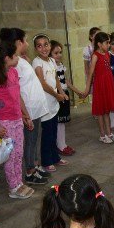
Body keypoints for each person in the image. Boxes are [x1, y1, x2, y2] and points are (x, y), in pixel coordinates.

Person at [0, 41, 35, 200]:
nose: (18, 57)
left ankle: (19, 182)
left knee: (19, 152)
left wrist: (25, 114)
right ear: (6, 58)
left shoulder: (13, 72)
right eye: (15, 55)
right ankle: (13, 187)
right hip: (4, 122)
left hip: (17, 119)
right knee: (10, 155)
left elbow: (17, 96)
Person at [1, 28, 50, 186]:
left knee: (34, 139)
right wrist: (25, 113)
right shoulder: (13, 63)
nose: (27, 44)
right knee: (29, 141)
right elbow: (16, 92)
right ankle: (29, 171)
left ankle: (34, 165)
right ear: (18, 42)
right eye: (26, 40)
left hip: (34, 108)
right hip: (28, 109)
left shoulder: (20, 60)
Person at [30, 34, 65, 173]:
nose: (43, 48)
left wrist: (61, 92)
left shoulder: (51, 60)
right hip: (45, 105)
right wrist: (56, 95)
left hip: (53, 103)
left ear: (50, 46)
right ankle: (46, 161)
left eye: (46, 44)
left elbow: (55, 78)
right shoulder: (37, 63)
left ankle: (55, 157)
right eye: (39, 45)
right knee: (47, 135)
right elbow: (42, 83)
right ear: (35, 49)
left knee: (54, 133)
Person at [83, 31, 114, 143]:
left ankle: (109, 133)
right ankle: (102, 134)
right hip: (100, 85)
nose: (109, 45)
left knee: (107, 111)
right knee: (100, 111)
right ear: (99, 44)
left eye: (109, 42)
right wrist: (87, 89)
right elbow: (90, 73)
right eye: (107, 42)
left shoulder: (107, 54)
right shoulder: (95, 56)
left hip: (108, 84)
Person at [51, 40, 80, 157]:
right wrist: (60, 93)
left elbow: (65, 81)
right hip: (58, 94)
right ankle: (60, 145)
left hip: (64, 93)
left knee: (62, 122)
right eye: (56, 53)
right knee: (59, 122)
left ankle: (62, 144)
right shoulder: (52, 67)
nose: (59, 55)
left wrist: (78, 91)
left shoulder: (61, 65)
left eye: (60, 52)